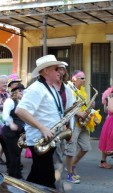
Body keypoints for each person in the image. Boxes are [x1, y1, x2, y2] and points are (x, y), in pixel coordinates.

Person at [15, 54, 66, 189]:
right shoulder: (36, 89)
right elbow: (20, 111)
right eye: (56, 69)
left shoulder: (51, 88)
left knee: (37, 176)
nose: (60, 71)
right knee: (47, 179)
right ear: (46, 71)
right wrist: (42, 128)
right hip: (41, 140)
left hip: (49, 138)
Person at [65, 70, 101, 184]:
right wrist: (78, 113)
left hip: (83, 123)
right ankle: (69, 174)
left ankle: (73, 165)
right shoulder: (68, 89)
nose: (84, 80)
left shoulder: (82, 90)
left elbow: (85, 106)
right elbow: (67, 106)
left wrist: (91, 108)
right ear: (74, 79)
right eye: (82, 78)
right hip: (73, 123)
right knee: (71, 150)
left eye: (85, 78)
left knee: (86, 147)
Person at [53, 62, 76, 191]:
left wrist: (70, 130)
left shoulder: (67, 89)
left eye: (63, 69)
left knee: (58, 159)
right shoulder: (49, 87)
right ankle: (57, 187)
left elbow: (70, 111)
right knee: (56, 163)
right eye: (58, 69)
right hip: (51, 128)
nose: (61, 71)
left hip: (62, 128)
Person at [2, 83, 25, 179]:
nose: (22, 92)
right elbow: (5, 115)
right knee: (14, 156)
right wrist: (11, 123)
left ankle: (17, 176)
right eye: (20, 90)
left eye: (23, 91)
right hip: (9, 132)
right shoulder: (9, 101)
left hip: (19, 132)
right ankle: (13, 178)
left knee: (17, 156)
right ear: (14, 92)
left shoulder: (22, 102)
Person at [0, 75, 9, 167]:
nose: (5, 84)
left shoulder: (8, 94)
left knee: (6, 144)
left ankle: (10, 166)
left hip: (5, 123)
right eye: (3, 83)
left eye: (6, 83)